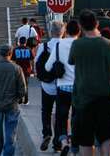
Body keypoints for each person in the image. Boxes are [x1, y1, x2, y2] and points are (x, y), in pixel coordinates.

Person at [68, 10, 110, 156]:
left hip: (83, 100)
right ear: (97, 23)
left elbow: (71, 61)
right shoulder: (109, 45)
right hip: (107, 100)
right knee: (108, 137)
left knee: (86, 140)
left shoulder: (77, 45)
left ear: (80, 26)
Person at [45, 18, 79, 153]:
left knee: (61, 117)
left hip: (63, 86)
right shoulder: (82, 44)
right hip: (79, 88)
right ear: (79, 31)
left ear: (66, 31)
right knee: (77, 116)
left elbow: (47, 67)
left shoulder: (59, 45)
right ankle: (75, 142)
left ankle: (64, 142)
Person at [34, 21, 62, 152]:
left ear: (51, 32)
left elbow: (36, 62)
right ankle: (58, 141)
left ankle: (47, 133)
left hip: (47, 84)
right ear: (63, 32)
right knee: (61, 114)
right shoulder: (66, 45)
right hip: (63, 85)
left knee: (46, 111)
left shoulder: (43, 46)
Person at [12, 37, 33, 105]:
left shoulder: (15, 49)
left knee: (18, 84)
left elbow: (13, 60)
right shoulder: (29, 49)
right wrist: (33, 70)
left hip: (18, 69)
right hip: (27, 70)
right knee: (25, 85)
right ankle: (26, 100)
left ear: (19, 42)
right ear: (25, 42)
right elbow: (32, 60)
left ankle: (20, 99)